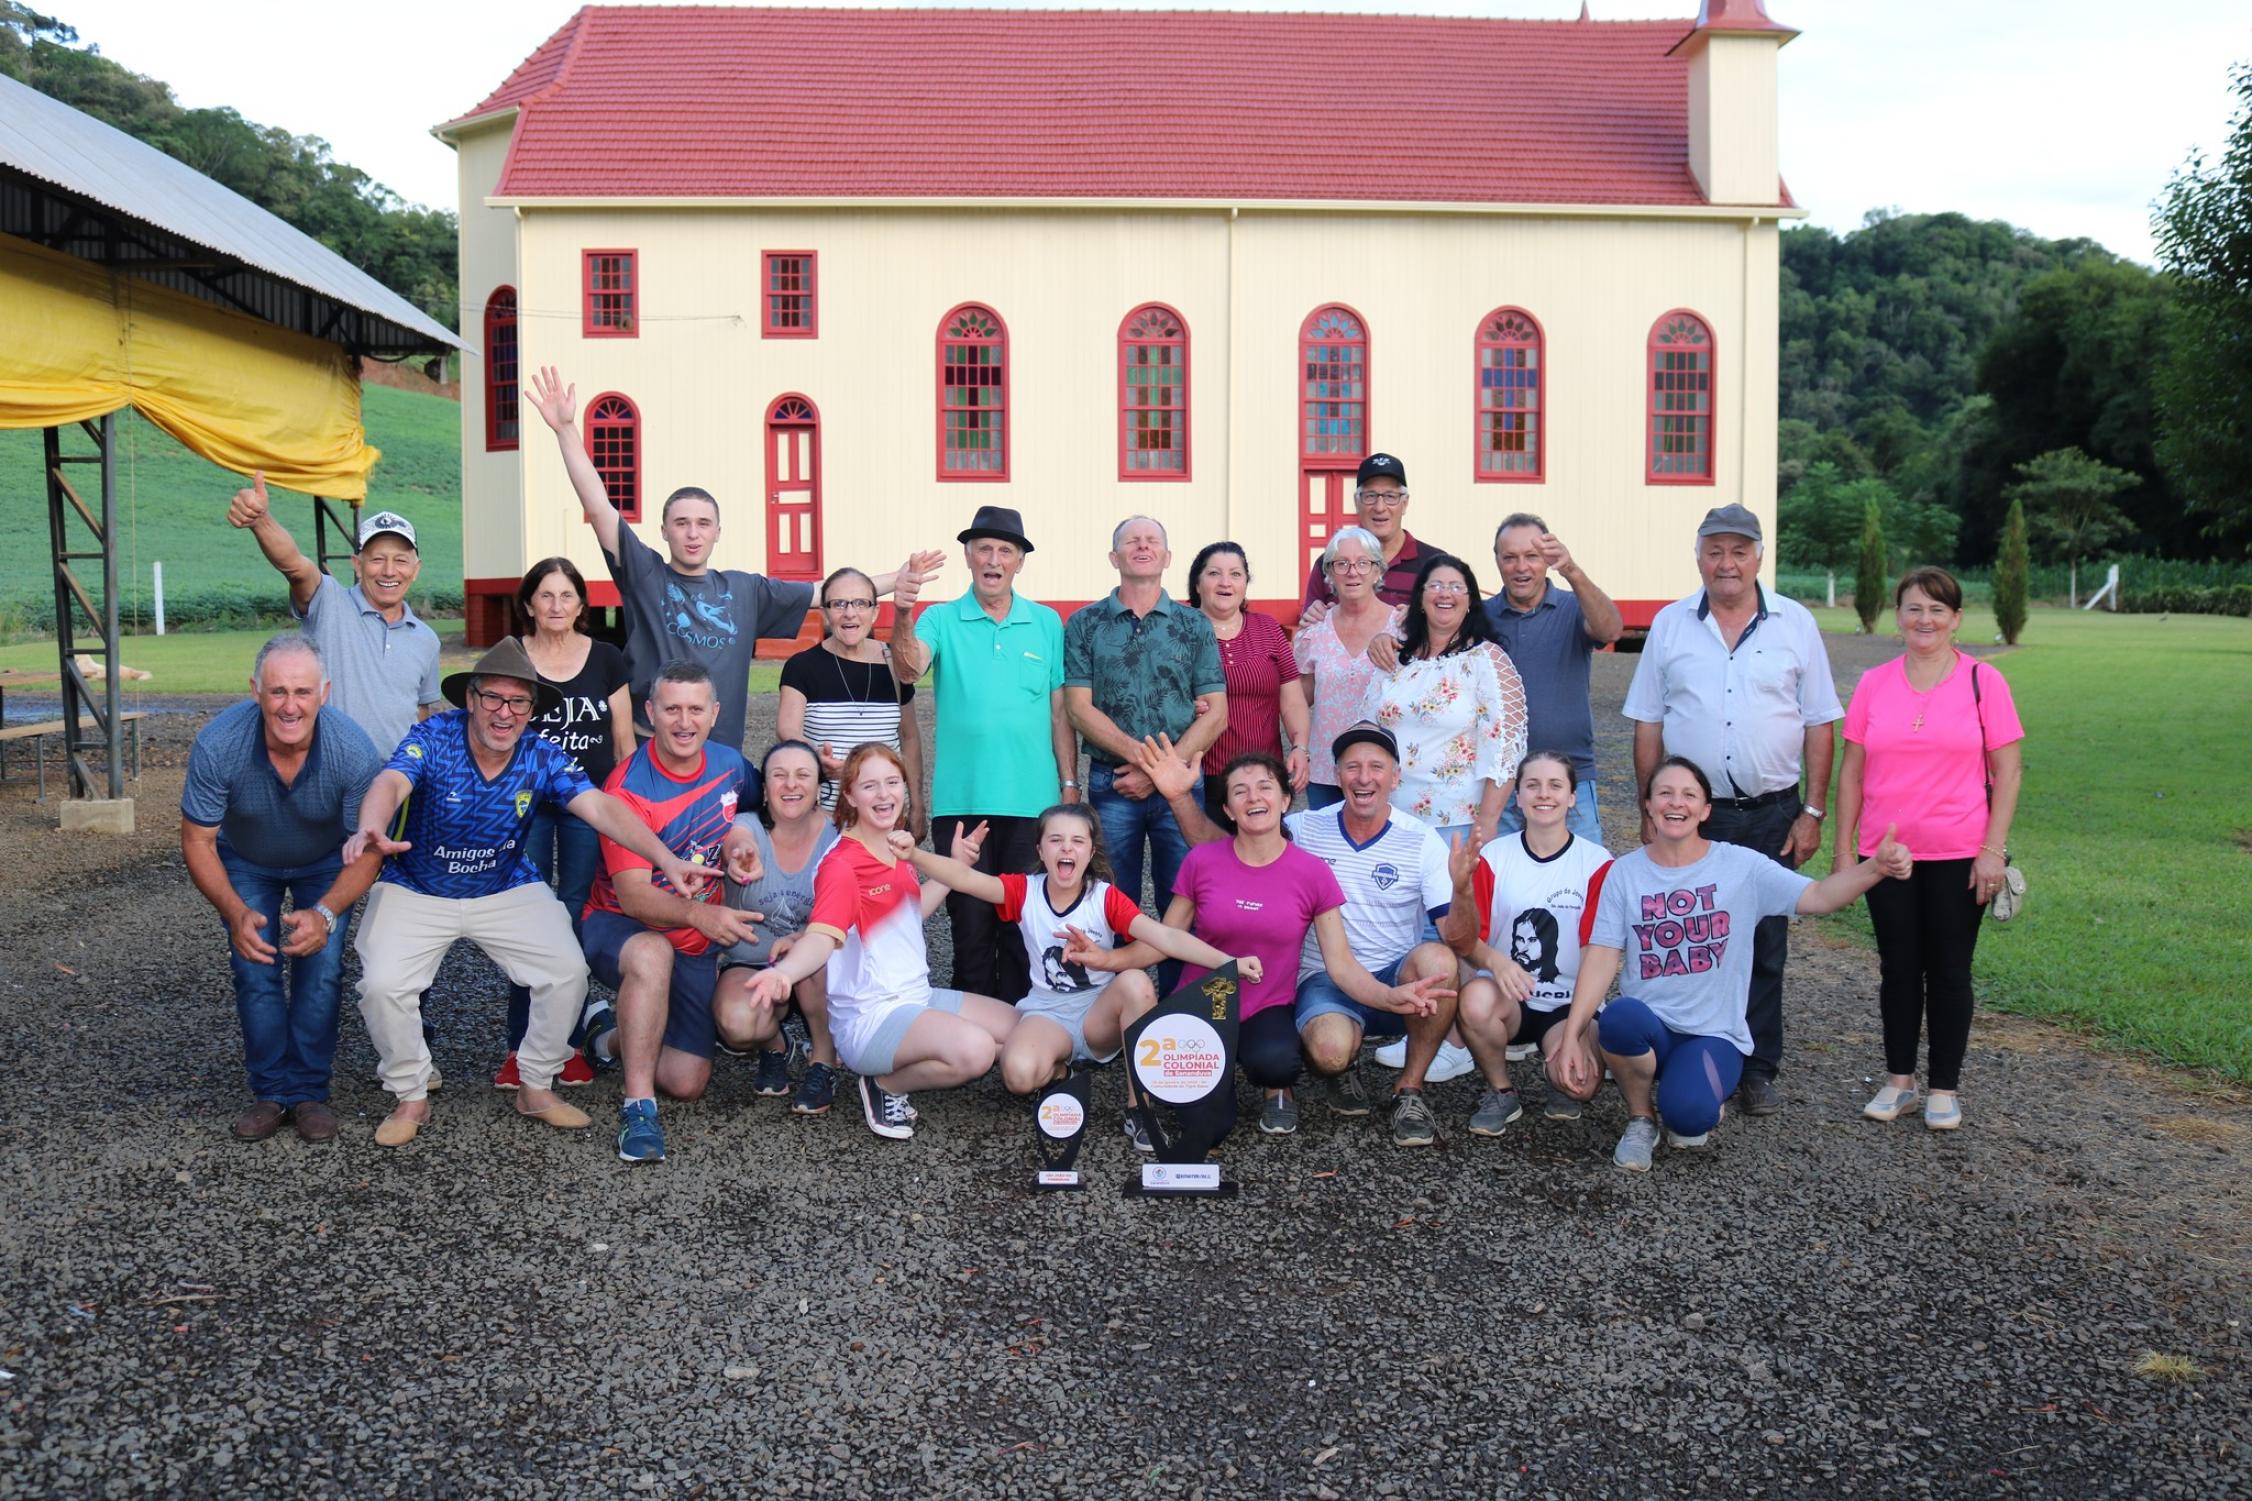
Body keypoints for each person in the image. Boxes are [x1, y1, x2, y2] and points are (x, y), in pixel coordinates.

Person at [343, 639, 714, 1148]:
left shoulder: (541, 753)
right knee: (383, 985)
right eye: (493, 698)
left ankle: (536, 1084)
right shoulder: (434, 735)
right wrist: (371, 825)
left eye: (519, 702)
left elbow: (600, 807)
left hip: (504, 884)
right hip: (419, 885)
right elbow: (391, 782)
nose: (505, 713)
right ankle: (410, 1093)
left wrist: (665, 859)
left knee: (567, 971)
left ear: (532, 709)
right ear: (470, 699)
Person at [526, 366, 942, 751]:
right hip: (654, 748)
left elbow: (828, 593)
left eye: (703, 523)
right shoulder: (645, 575)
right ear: (664, 531)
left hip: (720, 755)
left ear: (717, 532)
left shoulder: (745, 590)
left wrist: (898, 578)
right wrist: (566, 430)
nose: (692, 533)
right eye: (681, 523)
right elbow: (599, 507)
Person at [1554, 757, 1912, 1171]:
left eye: (1689, 795)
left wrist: (1875, 868)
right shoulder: (1625, 873)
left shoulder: (1741, 867)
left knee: (1689, 1119)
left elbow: (1818, 897)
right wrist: (1572, 1035)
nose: (1676, 803)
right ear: (1648, 805)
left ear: (1706, 810)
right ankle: (1640, 1118)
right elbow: (1601, 956)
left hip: (1713, 1033)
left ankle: (1694, 1094)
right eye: (1665, 793)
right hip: (1652, 1027)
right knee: (1619, 1019)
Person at [1094, 742, 1454, 1137]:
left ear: (1285, 801)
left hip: (1265, 1005)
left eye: (1265, 787)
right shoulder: (1202, 861)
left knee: (1278, 1063)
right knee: (1209, 1129)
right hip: (1205, 1001)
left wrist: (1389, 997)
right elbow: (1165, 937)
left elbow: (1341, 965)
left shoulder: (1313, 872)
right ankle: (1211, 1081)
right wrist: (1108, 959)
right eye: (1240, 791)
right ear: (1228, 809)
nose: (1254, 798)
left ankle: (1269, 1085)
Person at [1622, 503, 1844, 1117]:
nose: (1727, 563)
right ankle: (1688, 1050)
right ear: (1698, 556)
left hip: (1771, 812)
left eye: (1739, 552)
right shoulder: (1670, 625)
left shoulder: (1795, 623)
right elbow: (1648, 722)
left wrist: (1813, 811)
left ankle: (1757, 1066)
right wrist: (1648, 806)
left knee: (1765, 942)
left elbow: (1820, 722)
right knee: (1691, 938)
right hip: (1696, 816)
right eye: (1715, 551)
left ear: (1758, 558)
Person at [906, 805, 1259, 1146]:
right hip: (1047, 1012)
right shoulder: (1024, 890)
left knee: (1136, 982)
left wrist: (1229, 963)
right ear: (1039, 850)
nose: (1066, 848)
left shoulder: (1104, 898)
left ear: (1091, 852)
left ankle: (1140, 1110)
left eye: (1077, 841)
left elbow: (1166, 937)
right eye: (1055, 840)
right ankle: (1062, 1072)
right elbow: (965, 878)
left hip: (1097, 1014)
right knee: (1018, 1076)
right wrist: (914, 854)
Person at [740, 744, 1022, 1141]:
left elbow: (908, 914)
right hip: (870, 1018)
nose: (884, 794)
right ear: (850, 795)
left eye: (892, 782)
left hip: (915, 997)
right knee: (977, 1051)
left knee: (1020, 1029)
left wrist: (955, 867)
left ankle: (921, 1062)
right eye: (869, 785)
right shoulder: (842, 865)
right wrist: (784, 973)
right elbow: (822, 937)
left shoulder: (895, 846)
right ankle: (884, 1085)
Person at [1836, 567, 2024, 1131]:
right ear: (1898, 616)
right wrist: (1844, 853)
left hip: (1959, 852)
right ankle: (1899, 1083)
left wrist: (1993, 849)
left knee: (1948, 970)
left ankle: (1944, 1087)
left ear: (1956, 618)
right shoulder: (1874, 683)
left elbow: (2009, 771)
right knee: (1897, 969)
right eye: (1914, 608)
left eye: (1937, 609)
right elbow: (1852, 772)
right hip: (1886, 854)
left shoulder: (1984, 681)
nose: (1925, 619)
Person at [179, 633, 385, 1143]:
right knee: (254, 966)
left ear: (324, 693)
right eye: (277, 691)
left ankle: (309, 1091)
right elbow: (198, 840)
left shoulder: (354, 750)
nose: (290, 706)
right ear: (255, 690)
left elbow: (368, 849)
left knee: (322, 969)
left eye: (302, 692)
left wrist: (326, 912)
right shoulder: (218, 744)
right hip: (247, 859)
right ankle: (271, 1092)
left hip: (327, 860)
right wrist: (233, 911)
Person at [574, 662, 768, 1164]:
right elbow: (635, 897)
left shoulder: (730, 764)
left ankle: (606, 1038)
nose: (685, 722)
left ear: (715, 713)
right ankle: (638, 1107)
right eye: (672, 709)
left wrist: (740, 844)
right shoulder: (628, 788)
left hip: (694, 939)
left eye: (696, 709)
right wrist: (702, 916)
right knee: (652, 953)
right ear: (650, 712)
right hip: (623, 926)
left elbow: (752, 809)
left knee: (687, 1082)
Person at [889, 504, 1076, 1004]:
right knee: (970, 927)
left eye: (1005, 551)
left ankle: (1020, 1027)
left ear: (1020, 561)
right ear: (968, 556)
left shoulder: (1046, 623)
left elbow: (1059, 712)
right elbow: (908, 669)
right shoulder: (940, 618)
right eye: (984, 549)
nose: (994, 559)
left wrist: (1069, 787)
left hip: (1033, 803)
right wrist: (903, 611)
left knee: (1022, 928)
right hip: (962, 801)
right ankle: (970, 1032)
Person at [1063, 516, 1227, 991]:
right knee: (1115, 901)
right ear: (1114, 557)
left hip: (1181, 789)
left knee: (1186, 898)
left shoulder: (1194, 625)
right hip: (1112, 783)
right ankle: (1120, 1004)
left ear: (1167, 558)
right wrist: (1150, 763)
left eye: (1152, 540)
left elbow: (1216, 712)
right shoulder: (1085, 624)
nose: (1142, 546)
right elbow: (1078, 708)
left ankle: (1182, 1003)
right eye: (1131, 541)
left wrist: (1160, 772)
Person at [495, 556, 633, 1090]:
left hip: (587, 805)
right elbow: (489, 730)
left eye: (566, 595)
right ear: (529, 604)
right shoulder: (511, 655)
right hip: (524, 805)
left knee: (572, 915)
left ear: (581, 605)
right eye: (546, 595)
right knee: (526, 916)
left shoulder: (606, 658)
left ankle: (567, 1045)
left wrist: (626, 811)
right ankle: (519, 1047)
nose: (556, 605)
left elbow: (623, 743)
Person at [1441, 749, 1615, 1135]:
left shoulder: (1597, 862)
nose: (1544, 794)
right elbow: (1464, 941)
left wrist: (1575, 1033)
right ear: (1517, 797)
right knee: (1475, 1001)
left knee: (1580, 1085)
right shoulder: (1493, 856)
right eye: (1532, 785)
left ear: (1573, 796)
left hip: (1569, 1004)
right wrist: (1495, 961)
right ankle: (1501, 1090)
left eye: (1555, 785)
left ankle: (1560, 1065)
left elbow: (1597, 953)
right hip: (1511, 999)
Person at [226, 472, 441, 753]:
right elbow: (294, 566)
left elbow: (421, 712)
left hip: (397, 776)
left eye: (400, 560)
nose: (389, 571)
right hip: (332, 772)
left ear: (416, 569)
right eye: (377, 559)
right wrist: (261, 521)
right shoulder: (329, 603)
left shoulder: (426, 639)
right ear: (357, 565)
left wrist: (415, 767)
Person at [711, 739, 844, 1117]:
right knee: (736, 1024)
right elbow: (738, 842)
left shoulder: (839, 835)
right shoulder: (746, 825)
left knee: (815, 949)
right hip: (751, 959)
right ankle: (774, 1044)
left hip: (816, 963)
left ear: (819, 786)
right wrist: (741, 855)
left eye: (803, 775)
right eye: (779, 775)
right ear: (765, 788)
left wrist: (802, 939)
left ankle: (823, 1059)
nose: (791, 784)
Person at [1369, 552, 1529, 847]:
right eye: (1435, 586)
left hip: (1455, 823)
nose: (1445, 593)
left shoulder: (1487, 660)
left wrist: (1487, 823)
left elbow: (1505, 751)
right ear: (1420, 599)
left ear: (1470, 602)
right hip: (1388, 818)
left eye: (1456, 587)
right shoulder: (1395, 659)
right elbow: (1368, 730)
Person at [1483, 515, 1623, 843]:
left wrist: (1572, 570)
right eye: (1510, 557)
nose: (1521, 567)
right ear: (1497, 560)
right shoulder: (1480, 617)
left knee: (1581, 871)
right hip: (1501, 784)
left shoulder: (1574, 607)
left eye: (1532, 556)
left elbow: (1611, 630)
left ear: (1548, 559)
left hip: (1571, 778)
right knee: (1502, 873)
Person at [779, 565, 924, 838]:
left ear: (875, 612)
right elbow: (787, 730)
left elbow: (910, 737)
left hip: (886, 817)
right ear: (824, 613)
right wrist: (812, 753)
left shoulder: (894, 663)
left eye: (860, 603)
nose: (850, 613)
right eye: (838, 604)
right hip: (824, 820)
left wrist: (917, 805)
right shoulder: (801, 667)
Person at [1187, 541, 1309, 827]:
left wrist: (1300, 747)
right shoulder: (1181, 632)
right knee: (1207, 851)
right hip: (1202, 776)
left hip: (1264, 776)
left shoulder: (1268, 629)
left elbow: (1292, 701)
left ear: (1245, 583)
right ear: (1197, 584)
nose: (1225, 582)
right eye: (1214, 573)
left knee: (1263, 850)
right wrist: (1184, 707)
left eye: (1236, 574)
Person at [1293, 527, 1402, 811]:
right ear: (1329, 574)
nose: (1352, 572)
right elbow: (1298, 699)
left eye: (1363, 563)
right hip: (1326, 768)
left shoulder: (1403, 627)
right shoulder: (1314, 629)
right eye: (1341, 564)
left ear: (1378, 571)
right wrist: (1299, 748)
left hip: (1383, 767)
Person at [1298, 453, 1430, 612]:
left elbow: (1450, 623)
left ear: (1405, 503)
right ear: (1356, 502)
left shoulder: (1433, 565)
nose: (1380, 507)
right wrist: (1313, 616)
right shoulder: (1331, 563)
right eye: (1370, 496)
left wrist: (1418, 619)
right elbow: (1308, 622)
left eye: (1390, 496)